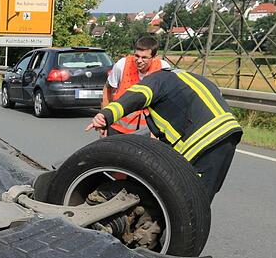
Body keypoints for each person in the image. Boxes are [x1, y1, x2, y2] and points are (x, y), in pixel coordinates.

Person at [86, 68, 242, 199]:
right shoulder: (190, 80)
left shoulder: (158, 79)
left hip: (201, 139)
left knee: (177, 195)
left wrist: (106, 115)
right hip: (230, 133)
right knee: (201, 198)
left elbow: (136, 96)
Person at [102, 35, 171, 135]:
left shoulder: (163, 68)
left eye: (144, 58)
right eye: (137, 56)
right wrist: (105, 119)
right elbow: (108, 89)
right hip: (118, 127)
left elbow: (168, 100)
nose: (139, 61)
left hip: (148, 129)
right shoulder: (122, 65)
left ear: (154, 57)